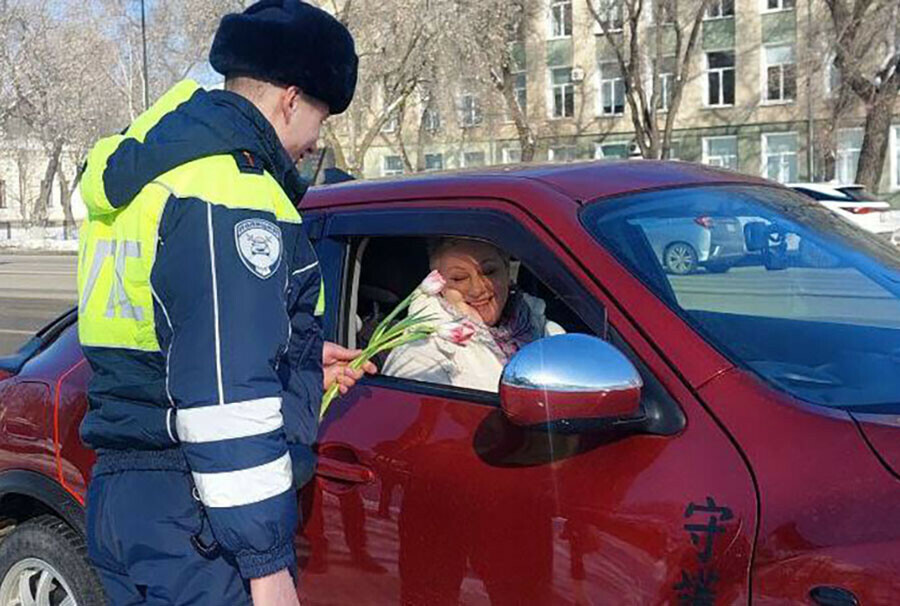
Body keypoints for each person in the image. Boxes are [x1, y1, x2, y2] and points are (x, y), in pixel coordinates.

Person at [75, 2, 368, 604]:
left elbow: (168, 339)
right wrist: (265, 565)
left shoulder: (148, 177)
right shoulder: (231, 194)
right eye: (321, 115)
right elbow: (224, 397)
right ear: (291, 99)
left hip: (124, 498)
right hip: (198, 523)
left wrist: (300, 363)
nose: (317, 141)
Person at [383, 238, 564, 391]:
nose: (477, 289)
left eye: (489, 272)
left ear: (507, 271)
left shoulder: (545, 330)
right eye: (459, 278)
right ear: (439, 286)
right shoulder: (419, 351)